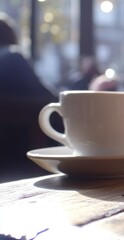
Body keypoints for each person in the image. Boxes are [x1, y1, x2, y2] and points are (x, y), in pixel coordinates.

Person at [0, 12, 55, 182]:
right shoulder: (13, 55)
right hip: (26, 121)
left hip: (8, 147)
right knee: (57, 108)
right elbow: (44, 92)